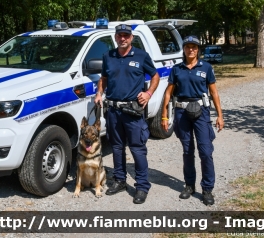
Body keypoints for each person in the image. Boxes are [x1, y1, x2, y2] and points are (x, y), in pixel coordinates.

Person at [94, 24, 160, 204]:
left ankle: (142, 186)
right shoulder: (108, 56)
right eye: (119, 35)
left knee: (137, 149)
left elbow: (155, 76)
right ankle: (120, 180)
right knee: (116, 147)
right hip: (113, 111)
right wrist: (99, 93)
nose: (123, 38)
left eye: (126, 35)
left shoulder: (141, 56)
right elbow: (104, 78)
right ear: (115, 38)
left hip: (132, 111)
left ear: (131, 38)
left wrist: (148, 94)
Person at [161, 35, 224, 205]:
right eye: (188, 46)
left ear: (198, 50)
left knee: (205, 151)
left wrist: (220, 115)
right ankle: (189, 185)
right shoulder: (177, 69)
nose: (191, 49)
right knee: (188, 151)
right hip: (182, 113)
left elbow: (214, 92)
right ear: (184, 49)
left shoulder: (206, 67)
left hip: (201, 113)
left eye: (194, 47)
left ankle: (207, 189)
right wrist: (164, 115)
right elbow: (168, 93)